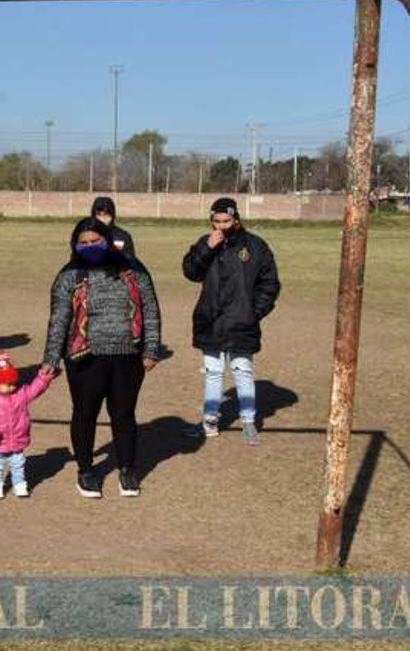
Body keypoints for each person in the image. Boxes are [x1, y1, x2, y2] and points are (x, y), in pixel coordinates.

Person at [42, 217, 162, 499]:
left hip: (127, 355)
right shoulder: (69, 275)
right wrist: (51, 358)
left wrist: (151, 349)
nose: (89, 247)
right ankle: (85, 471)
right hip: (85, 357)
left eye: (95, 241)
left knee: (124, 415)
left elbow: (151, 310)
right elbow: (59, 319)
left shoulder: (132, 269)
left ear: (108, 240)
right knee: (85, 414)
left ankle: (127, 470)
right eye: (82, 243)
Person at [182, 197, 281, 445]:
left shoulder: (256, 247)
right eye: (217, 221)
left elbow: (270, 284)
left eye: (226, 221)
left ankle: (248, 421)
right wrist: (207, 247)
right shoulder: (205, 243)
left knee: (242, 370)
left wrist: (253, 312)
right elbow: (191, 272)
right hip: (211, 320)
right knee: (213, 372)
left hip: (241, 323)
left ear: (236, 219)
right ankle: (209, 422)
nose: (222, 226)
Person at [0, 352, 54, 499]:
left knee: (18, 464)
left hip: (16, 440)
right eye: (7, 384)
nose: (12, 386)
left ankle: (19, 485)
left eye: (13, 382)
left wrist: (43, 378)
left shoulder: (20, 393)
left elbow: (34, 390)